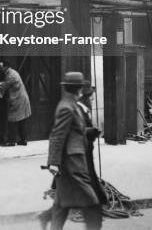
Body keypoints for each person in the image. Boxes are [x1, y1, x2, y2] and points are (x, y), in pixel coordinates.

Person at [47, 72, 103, 230]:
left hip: (72, 162)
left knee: (61, 205)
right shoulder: (67, 107)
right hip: (71, 165)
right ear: (78, 89)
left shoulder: (72, 105)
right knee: (91, 202)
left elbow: (73, 131)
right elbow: (57, 135)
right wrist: (53, 162)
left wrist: (88, 132)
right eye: (81, 88)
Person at [0, 59, 31, 146]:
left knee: (11, 119)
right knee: (21, 120)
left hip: (18, 100)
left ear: (6, 67)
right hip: (22, 99)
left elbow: (0, 88)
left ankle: (11, 141)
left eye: (0, 67)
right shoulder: (12, 72)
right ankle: (23, 140)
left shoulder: (10, 76)